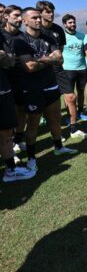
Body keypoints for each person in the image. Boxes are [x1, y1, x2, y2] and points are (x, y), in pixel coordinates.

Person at [14, 7, 78, 172]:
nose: (38, 20)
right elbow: (29, 67)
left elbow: (60, 59)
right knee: (33, 124)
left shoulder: (48, 36)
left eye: (38, 17)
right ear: (25, 21)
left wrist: (41, 60)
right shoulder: (20, 40)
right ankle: (31, 158)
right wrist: (49, 59)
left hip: (51, 85)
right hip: (33, 89)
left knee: (55, 119)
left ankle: (58, 147)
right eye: (34, 18)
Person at [0, 29, 36, 182]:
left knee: (6, 131)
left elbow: (9, 61)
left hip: (3, 88)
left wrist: (5, 56)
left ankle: (11, 170)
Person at [0, 5, 27, 155]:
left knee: (21, 111)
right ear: (6, 17)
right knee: (7, 119)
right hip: (4, 81)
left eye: (20, 16)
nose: (19, 19)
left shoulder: (22, 36)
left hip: (21, 79)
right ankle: (8, 149)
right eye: (16, 16)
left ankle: (18, 140)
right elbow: (6, 61)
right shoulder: (1, 35)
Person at [61, 14, 87, 138]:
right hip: (67, 69)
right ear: (65, 24)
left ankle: (80, 112)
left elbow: (86, 52)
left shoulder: (82, 36)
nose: (72, 24)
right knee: (69, 96)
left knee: (81, 92)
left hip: (82, 69)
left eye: (74, 22)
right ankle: (69, 117)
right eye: (70, 23)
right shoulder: (62, 37)